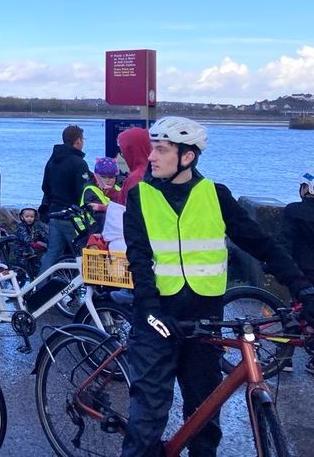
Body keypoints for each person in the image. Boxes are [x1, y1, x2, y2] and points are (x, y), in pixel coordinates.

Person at [120, 116, 314, 457]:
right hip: (158, 319)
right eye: (153, 149)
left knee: (205, 419)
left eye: (161, 150)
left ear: (187, 156)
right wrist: (150, 312)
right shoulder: (141, 197)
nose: (152, 157)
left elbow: (262, 244)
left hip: (204, 320)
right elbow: (139, 261)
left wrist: (302, 288)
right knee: (146, 424)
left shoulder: (215, 195)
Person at [38, 124, 91, 274]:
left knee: (52, 254)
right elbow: (84, 190)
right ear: (78, 141)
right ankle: (89, 290)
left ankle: (40, 288)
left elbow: (45, 187)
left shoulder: (52, 161)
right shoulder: (79, 163)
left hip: (54, 214)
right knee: (82, 254)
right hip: (73, 216)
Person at [283, 171, 314, 375]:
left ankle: (285, 358)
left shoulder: (293, 210)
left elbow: (286, 240)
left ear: (306, 189)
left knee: (294, 311)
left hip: (301, 270)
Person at [82, 157, 122, 233]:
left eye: (111, 177)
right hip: (94, 233)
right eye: (103, 177)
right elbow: (98, 217)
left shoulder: (119, 189)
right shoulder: (90, 190)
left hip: (114, 232)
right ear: (96, 177)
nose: (107, 180)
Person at [118, 126, 152, 206]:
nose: (122, 155)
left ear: (130, 151)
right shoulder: (153, 171)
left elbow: (130, 209)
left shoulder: (136, 177)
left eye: (123, 150)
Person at [13, 207, 48, 275]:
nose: (29, 218)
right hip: (21, 250)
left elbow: (42, 235)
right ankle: (19, 277)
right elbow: (25, 239)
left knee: (35, 264)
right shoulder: (21, 226)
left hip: (31, 250)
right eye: (27, 216)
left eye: (32, 216)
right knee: (21, 267)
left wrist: (47, 240)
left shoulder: (35, 226)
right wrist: (35, 243)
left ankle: (35, 276)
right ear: (22, 217)